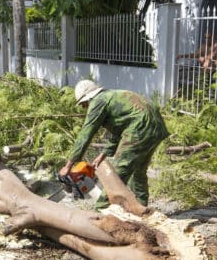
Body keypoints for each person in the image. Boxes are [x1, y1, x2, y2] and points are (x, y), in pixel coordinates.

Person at [59, 80, 169, 209]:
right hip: (157, 128)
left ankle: (100, 210)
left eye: (84, 104)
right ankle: (142, 207)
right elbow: (118, 130)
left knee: (119, 171)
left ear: (89, 97)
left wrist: (68, 165)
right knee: (139, 170)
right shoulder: (112, 96)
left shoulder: (98, 101)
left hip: (140, 128)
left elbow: (85, 134)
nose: (84, 108)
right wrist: (103, 155)